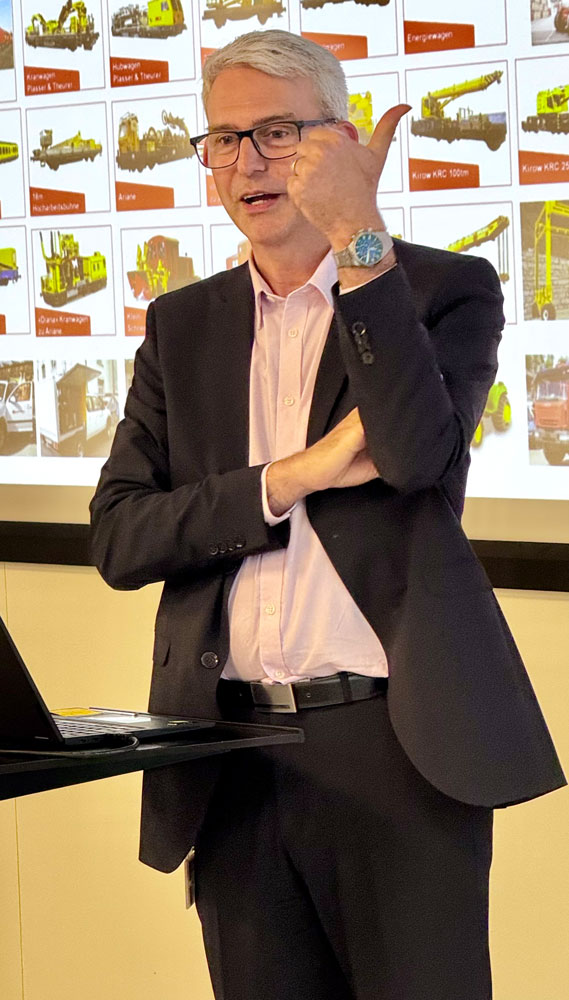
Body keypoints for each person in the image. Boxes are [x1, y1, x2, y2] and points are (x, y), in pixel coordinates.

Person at [90, 30, 565, 1000]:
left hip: (393, 748)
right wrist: (290, 476)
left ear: (338, 143)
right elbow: (120, 536)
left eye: (275, 133)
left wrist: (359, 239)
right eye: (223, 140)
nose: (245, 163)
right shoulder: (181, 326)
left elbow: (415, 457)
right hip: (228, 754)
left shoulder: (440, 292)